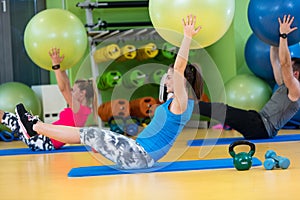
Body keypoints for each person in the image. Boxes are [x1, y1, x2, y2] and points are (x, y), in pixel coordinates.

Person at [15, 14, 203, 169]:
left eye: (170, 76)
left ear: (183, 83)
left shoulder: (182, 102)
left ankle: (35, 127)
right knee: (89, 134)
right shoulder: (174, 101)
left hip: (139, 156)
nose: (166, 78)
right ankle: (36, 127)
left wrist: (187, 37)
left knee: (87, 133)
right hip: (137, 151)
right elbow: (184, 73)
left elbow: (179, 69)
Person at [197, 14, 300, 139]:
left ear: (296, 74)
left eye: (290, 69)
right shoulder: (285, 86)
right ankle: (187, 107)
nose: (285, 71)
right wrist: (272, 37)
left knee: (221, 109)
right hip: (258, 123)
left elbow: (285, 63)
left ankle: (184, 106)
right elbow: (276, 62)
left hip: (260, 126)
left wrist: (283, 36)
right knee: (222, 111)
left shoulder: (296, 89)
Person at [0, 48, 96, 151]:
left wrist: (56, 65)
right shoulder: (83, 110)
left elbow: (64, 89)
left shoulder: (79, 110)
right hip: (43, 137)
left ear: (83, 93)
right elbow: (66, 84)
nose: (71, 92)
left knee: (4, 116)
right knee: (5, 116)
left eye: (74, 90)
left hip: (42, 140)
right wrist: (62, 68)